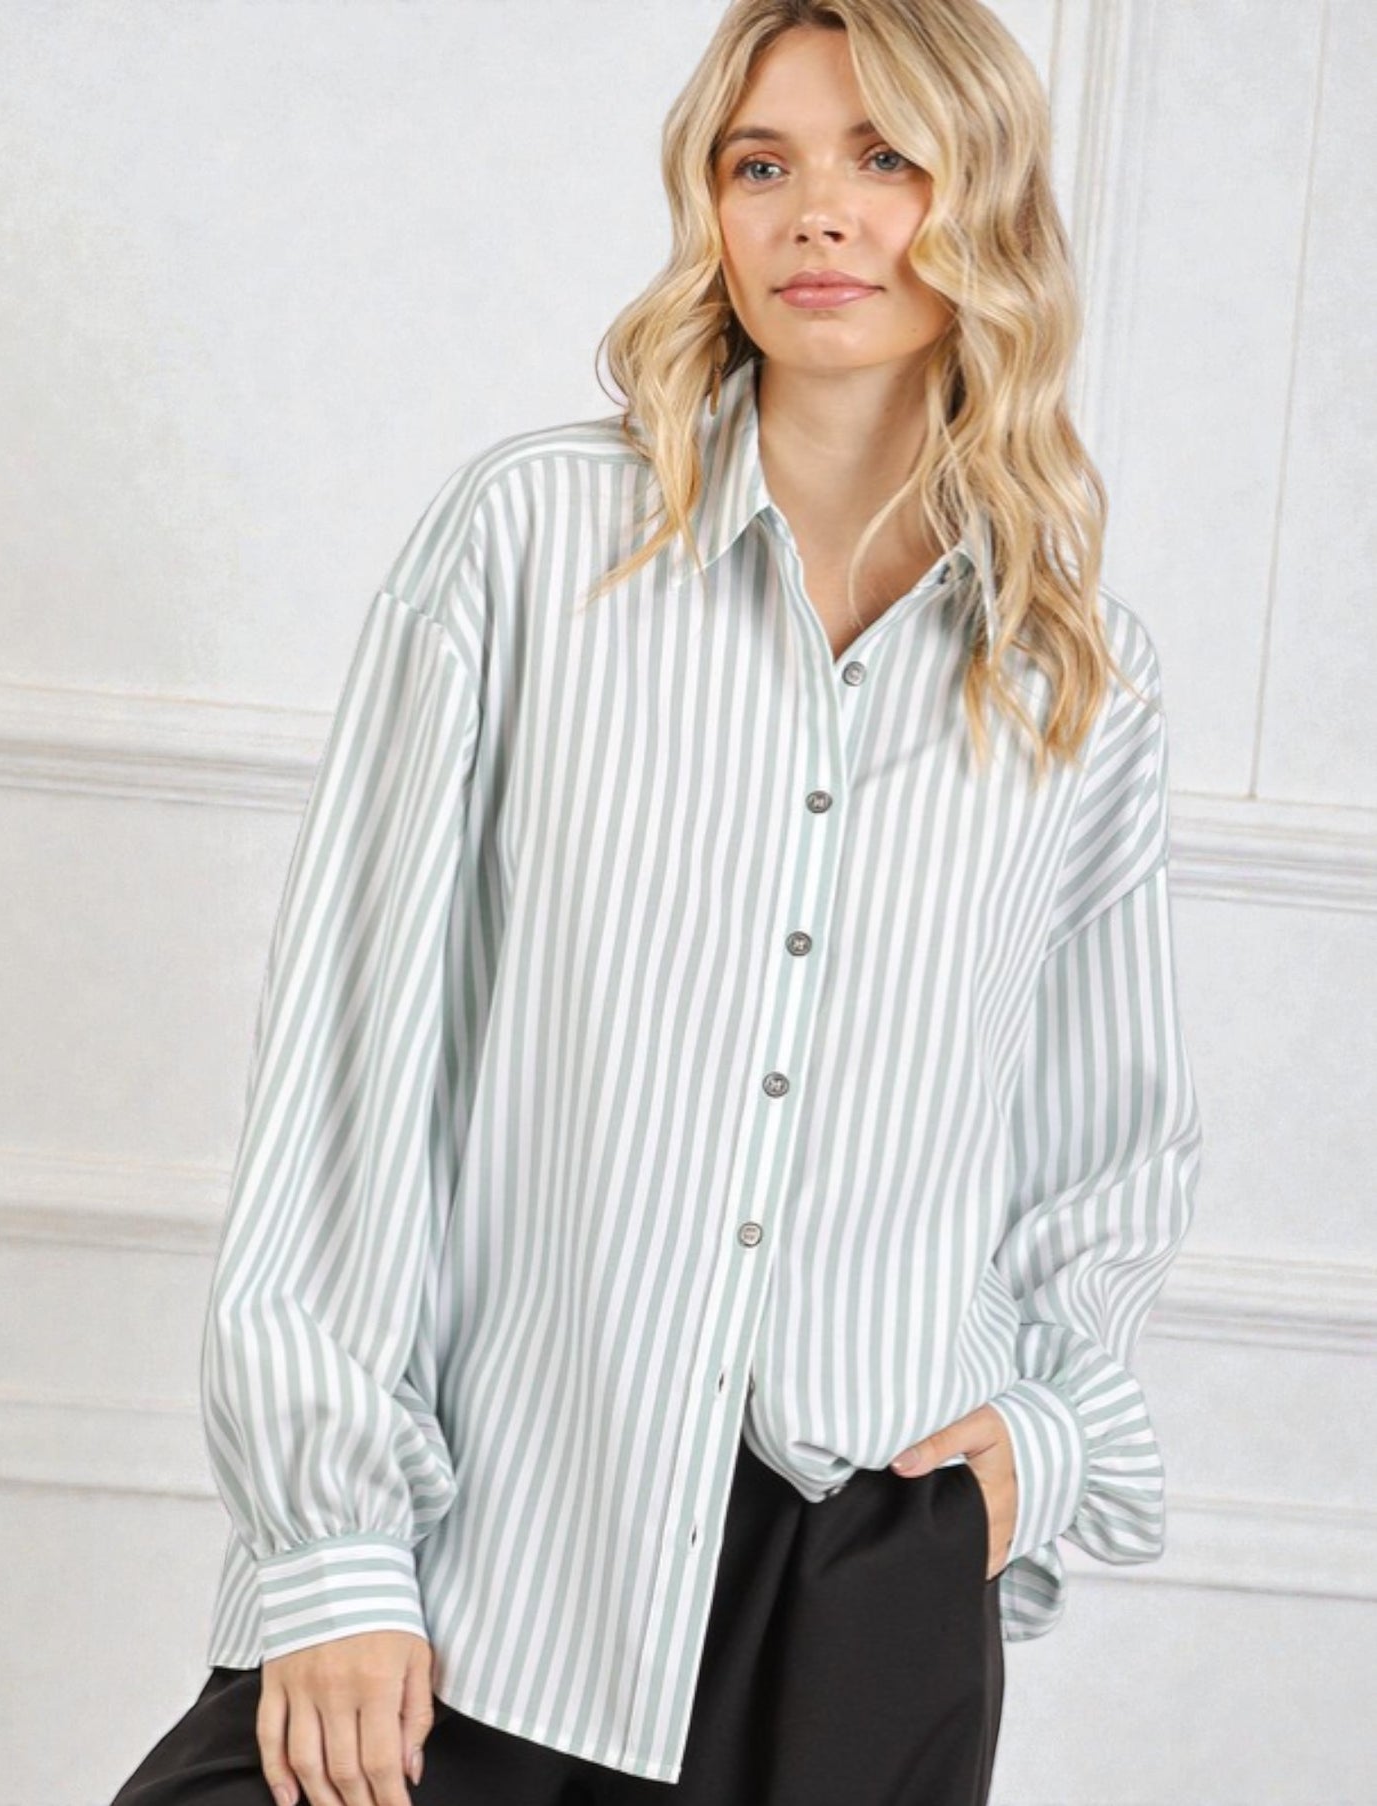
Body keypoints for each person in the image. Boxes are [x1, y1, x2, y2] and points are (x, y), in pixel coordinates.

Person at [107, 2, 1203, 1803]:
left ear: (983, 205)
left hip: (860, 1583)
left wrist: (1046, 1438)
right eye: (759, 164)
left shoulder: (1078, 676)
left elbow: (1104, 1140)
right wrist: (330, 1543)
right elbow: (357, 1060)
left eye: (885, 159)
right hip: (498, 1556)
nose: (815, 215)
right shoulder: (532, 547)